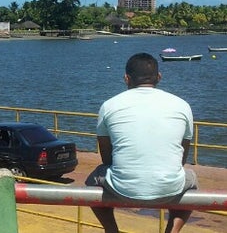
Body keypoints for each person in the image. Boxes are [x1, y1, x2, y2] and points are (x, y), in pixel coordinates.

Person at [85, 53, 198, 233]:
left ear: (126, 78)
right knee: (191, 178)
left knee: (92, 180)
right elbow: (182, 156)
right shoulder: (182, 105)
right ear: (159, 77)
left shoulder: (109, 105)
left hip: (123, 189)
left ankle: (111, 229)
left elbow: (106, 156)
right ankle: (172, 230)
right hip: (169, 188)